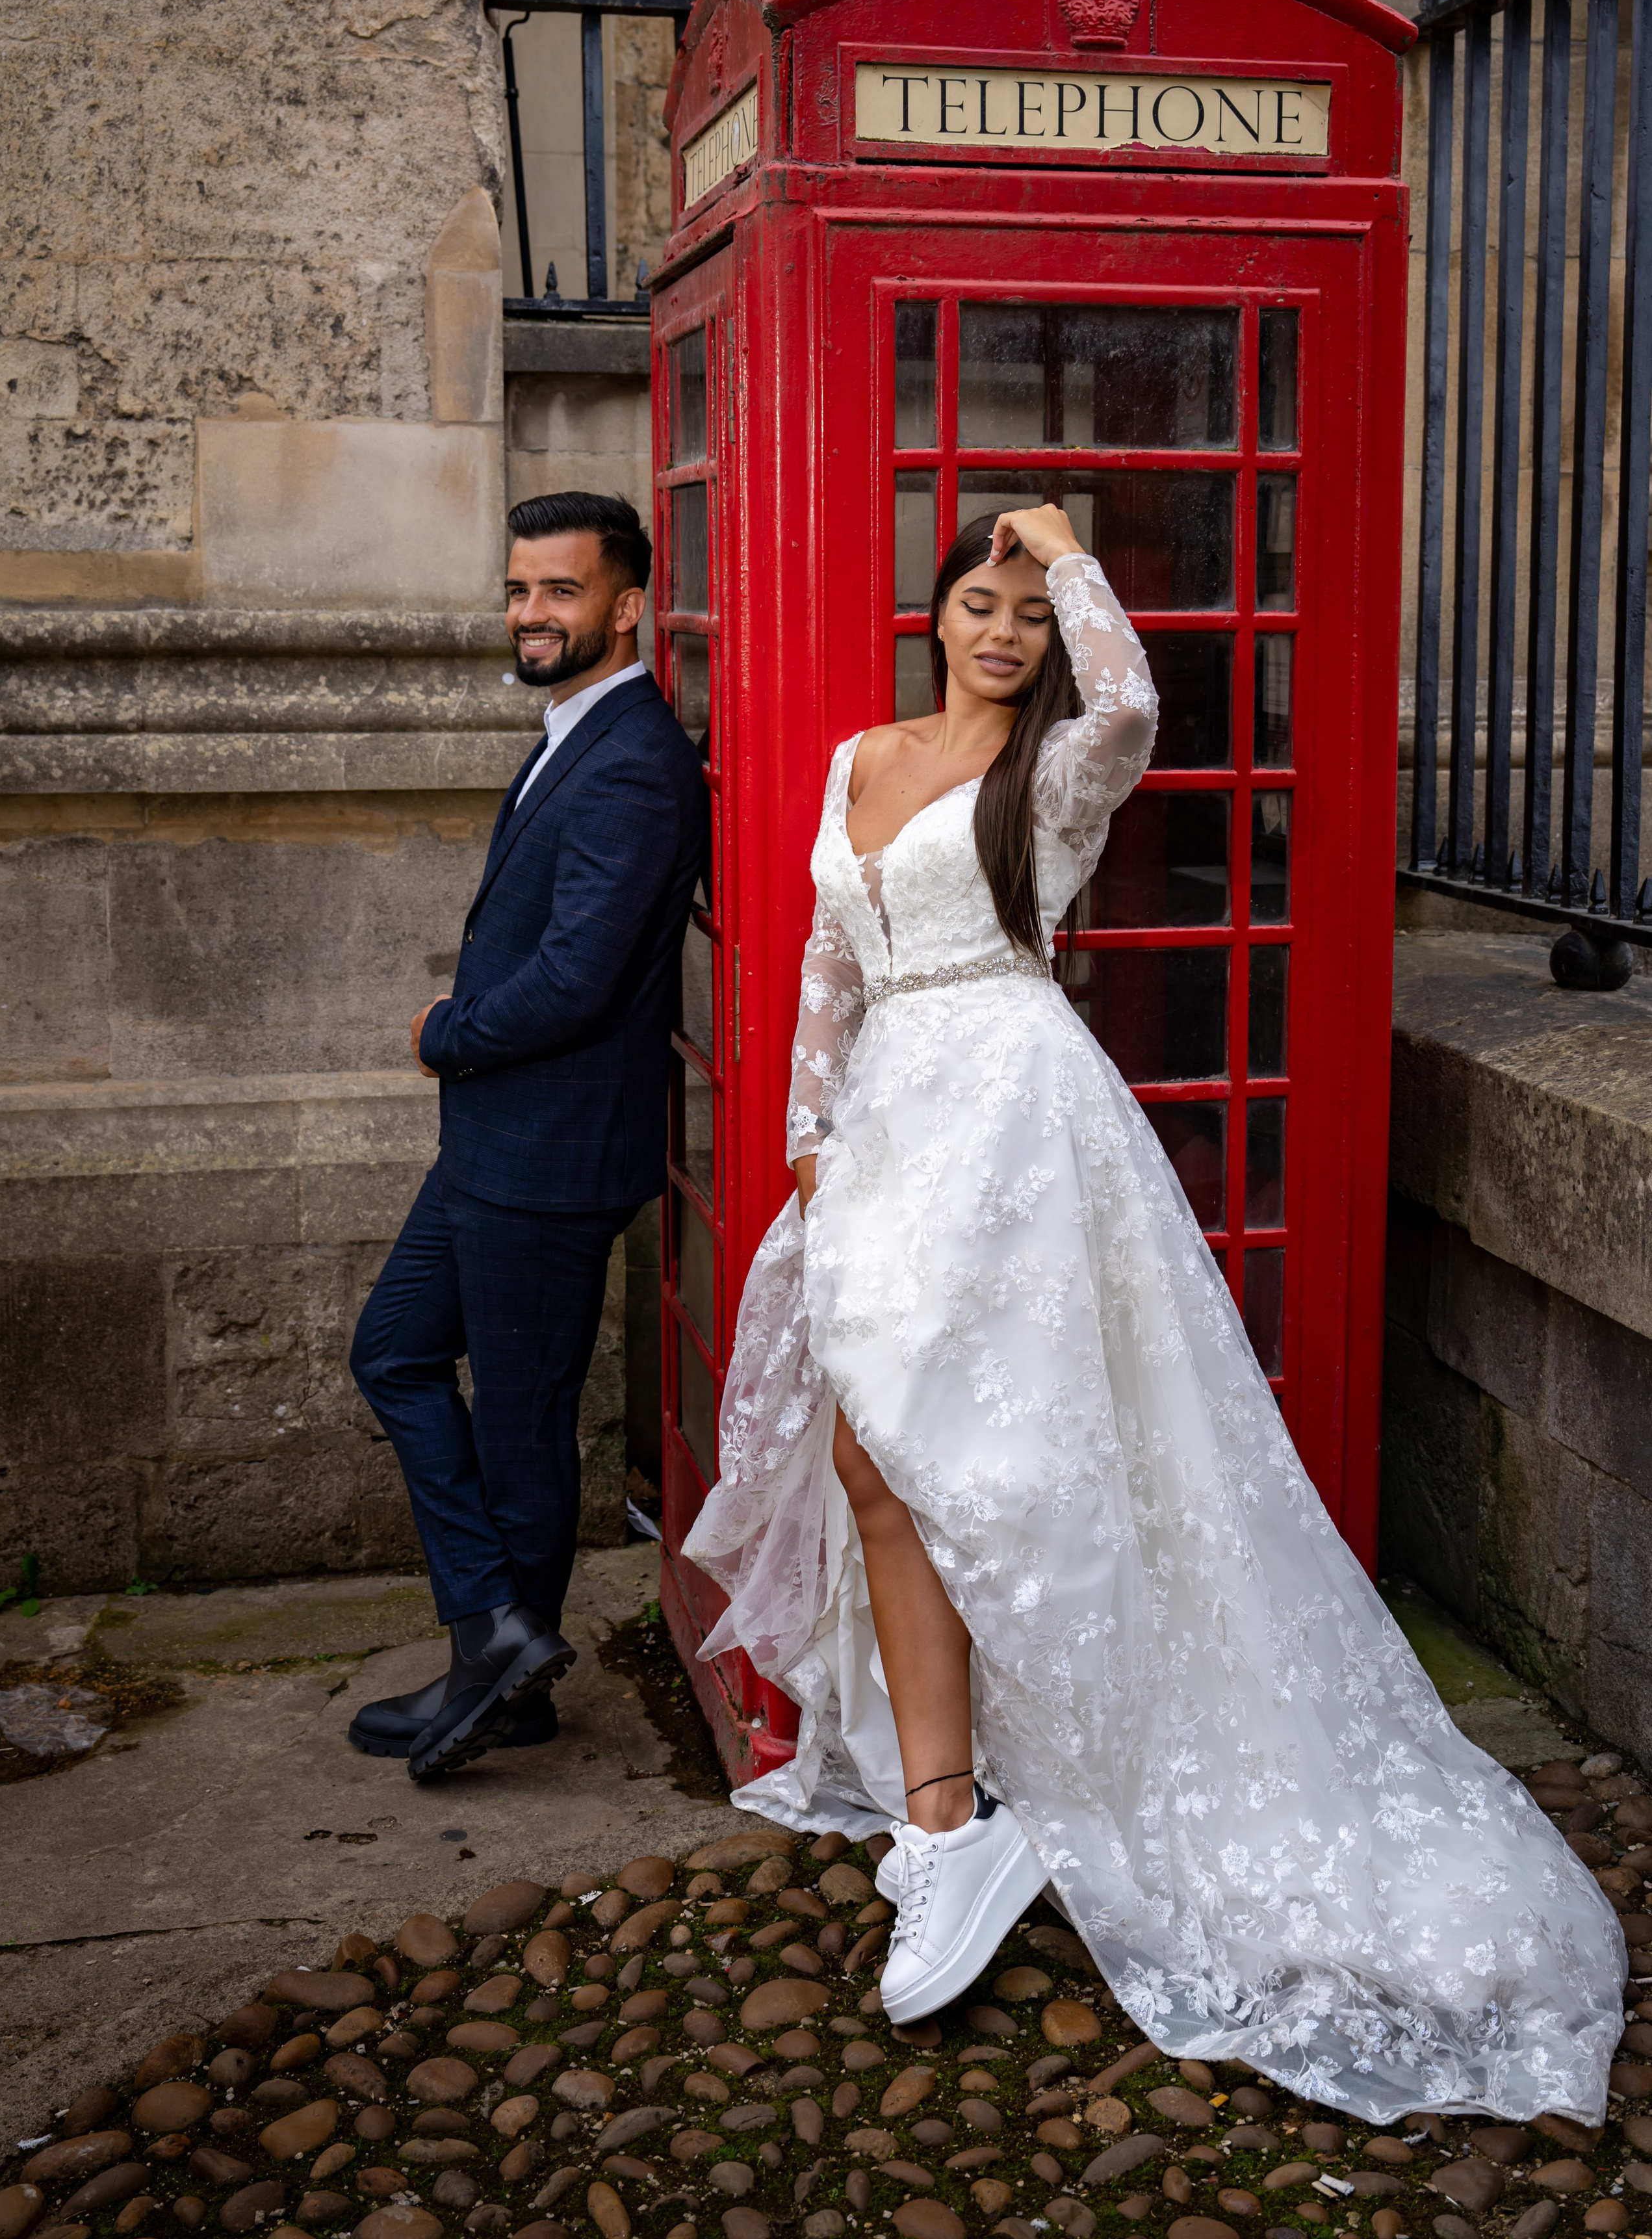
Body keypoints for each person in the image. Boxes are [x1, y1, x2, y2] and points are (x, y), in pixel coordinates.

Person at [684, 502, 1623, 2121]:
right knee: (866, 1466)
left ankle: (1015, 1794)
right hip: (889, 1137)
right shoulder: (856, 758)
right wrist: (805, 1142)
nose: (999, 630)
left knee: (999, 1474)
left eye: (1024, 616)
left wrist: (1068, 552)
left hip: (1015, 1122)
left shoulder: (1055, 773)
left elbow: (1127, 704)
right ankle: (945, 1823)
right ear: (934, 615)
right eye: (979, 601)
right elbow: (830, 970)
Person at [349, 491, 707, 1782]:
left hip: (547, 1152)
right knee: (391, 1354)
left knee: (520, 1422)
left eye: (557, 592)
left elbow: (575, 979)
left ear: (624, 607)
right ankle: (495, 1643)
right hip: (499, 1143)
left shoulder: (633, 762)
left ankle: (500, 1668)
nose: (529, 613)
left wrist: (447, 1030)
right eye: (517, 590)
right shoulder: (577, 732)